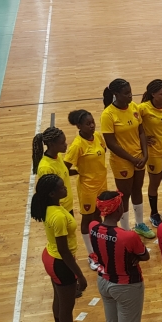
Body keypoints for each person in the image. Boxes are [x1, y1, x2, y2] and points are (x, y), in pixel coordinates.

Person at [89, 191, 160, 322]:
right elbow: (144, 256)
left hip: (104, 281)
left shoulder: (93, 227)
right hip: (127, 287)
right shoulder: (128, 236)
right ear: (118, 209)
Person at [30, 174, 95, 322]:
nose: (65, 188)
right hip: (60, 262)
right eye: (61, 187)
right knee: (66, 307)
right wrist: (80, 276)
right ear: (51, 193)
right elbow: (64, 250)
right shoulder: (57, 217)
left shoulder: (52, 208)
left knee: (58, 302)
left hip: (51, 257)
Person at [101, 78, 155, 240]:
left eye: (131, 92)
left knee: (137, 190)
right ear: (116, 95)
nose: (130, 96)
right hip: (122, 161)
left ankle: (139, 224)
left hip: (139, 157)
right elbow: (111, 143)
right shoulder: (108, 115)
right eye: (126, 93)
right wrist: (131, 158)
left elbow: (141, 132)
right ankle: (124, 230)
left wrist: (145, 154)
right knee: (124, 194)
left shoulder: (134, 107)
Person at [64, 110, 108, 271]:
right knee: (88, 219)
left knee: (99, 216)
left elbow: (103, 151)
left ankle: (100, 247)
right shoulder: (77, 145)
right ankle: (91, 254)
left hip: (102, 185)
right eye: (88, 124)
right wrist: (79, 172)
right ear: (79, 126)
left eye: (92, 122)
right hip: (87, 188)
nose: (92, 125)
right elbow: (64, 168)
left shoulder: (97, 137)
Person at [139, 79, 162, 227]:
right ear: (153, 94)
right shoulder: (143, 108)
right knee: (154, 183)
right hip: (153, 151)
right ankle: (153, 213)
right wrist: (141, 138)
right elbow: (134, 123)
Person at [32, 126, 74, 216]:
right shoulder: (46, 168)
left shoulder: (57, 157)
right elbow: (48, 194)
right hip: (60, 210)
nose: (66, 144)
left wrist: (80, 171)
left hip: (67, 206)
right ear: (51, 144)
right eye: (62, 143)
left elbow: (63, 173)